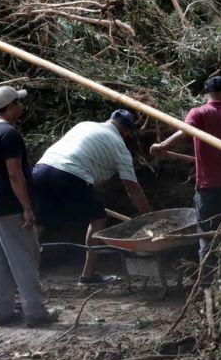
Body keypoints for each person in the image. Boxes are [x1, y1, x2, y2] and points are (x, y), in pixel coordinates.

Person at [0, 86, 59, 327]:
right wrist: (26, 208)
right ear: (12, 105)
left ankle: (2, 312)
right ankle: (36, 314)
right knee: (24, 258)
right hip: (10, 208)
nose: (22, 107)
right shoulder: (9, 135)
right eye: (19, 103)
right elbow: (15, 175)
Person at [32, 110, 152, 284]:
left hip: (41, 170)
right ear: (126, 132)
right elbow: (132, 188)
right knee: (98, 219)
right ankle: (88, 275)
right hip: (71, 174)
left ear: (109, 119)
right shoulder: (119, 146)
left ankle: (20, 275)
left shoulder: (85, 125)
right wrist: (150, 217)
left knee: (40, 222)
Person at [151, 75, 221, 264]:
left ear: (207, 95)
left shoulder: (199, 113)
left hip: (208, 188)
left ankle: (205, 283)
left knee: (206, 237)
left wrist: (163, 145)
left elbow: (185, 131)